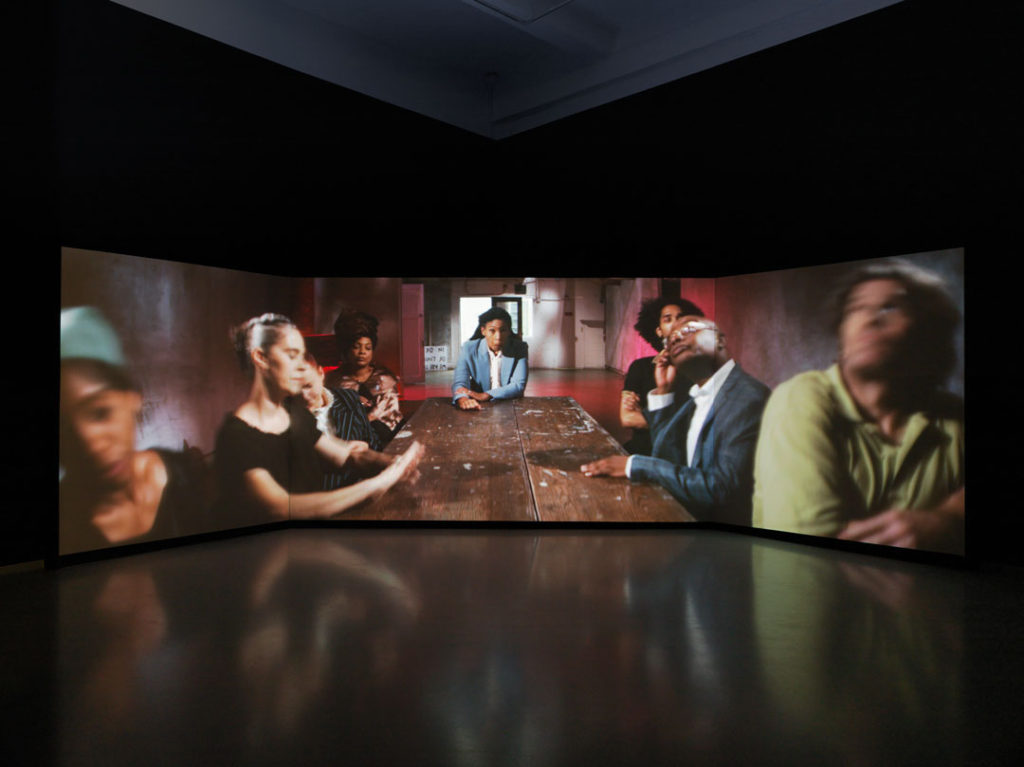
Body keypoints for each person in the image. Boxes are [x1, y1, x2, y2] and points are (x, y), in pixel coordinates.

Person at [752, 260, 964, 553]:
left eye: (891, 307)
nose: (869, 319)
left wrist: (949, 518)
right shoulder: (800, 400)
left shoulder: (952, 416)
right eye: (855, 308)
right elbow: (809, 561)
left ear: (927, 333)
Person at [214, 313, 422, 528]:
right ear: (261, 358)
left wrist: (393, 463)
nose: (302, 367)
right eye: (291, 354)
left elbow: (348, 455)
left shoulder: (295, 415)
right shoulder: (238, 435)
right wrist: (376, 485)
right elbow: (281, 507)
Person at [581, 314, 770, 525]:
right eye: (669, 340)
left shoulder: (745, 396)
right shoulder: (699, 396)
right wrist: (662, 390)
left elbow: (720, 488)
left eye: (688, 330)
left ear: (720, 340)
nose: (675, 339)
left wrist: (635, 464)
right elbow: (668, 455)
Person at [59, 306, 212, 554]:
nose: (90, 444)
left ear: (133, 397)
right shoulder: (68, 530)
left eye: (100, 413)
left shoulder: (184, 475)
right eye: (63, 431)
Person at [621, 297, 705, 455]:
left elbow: (699, 423)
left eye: (681, 318)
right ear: (658, 330)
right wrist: (677, 420)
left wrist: (647, 416)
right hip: (643, 450)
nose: (676, 323)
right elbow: (628, 418)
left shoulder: (699, 370)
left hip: (681, 455)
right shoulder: (639, 367)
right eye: (668, 319)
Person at [299, 351, 384, 490]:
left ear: (321, 373)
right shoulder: (283, 414)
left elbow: (374, 443)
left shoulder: (348, 398)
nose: (303, 395)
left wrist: (366, 449)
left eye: (308, 385)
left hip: (361, 492)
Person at [325, 309, 403, 445]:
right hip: (348, 443)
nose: (362, 352)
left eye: (368, 348)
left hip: (388, 440)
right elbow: (335, 423)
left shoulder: (385, 379)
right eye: (356, 347)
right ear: (346, 349)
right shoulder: (334, 381)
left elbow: (392, 420)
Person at [452, 306, 529, 410]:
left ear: (509, 331)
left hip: (512, 404)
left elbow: (518, 385)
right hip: (480, 406)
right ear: (483, 331)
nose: (498, 337)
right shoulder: (468, 348)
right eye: (492, 331)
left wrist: (486, 395)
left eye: (503, 330)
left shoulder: (519, 348)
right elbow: (460, 382)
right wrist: (463, 399)